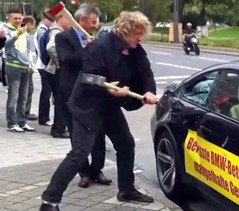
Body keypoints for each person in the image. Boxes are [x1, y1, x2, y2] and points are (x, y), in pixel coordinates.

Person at [39, 10, 158, 211]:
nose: (141, 37)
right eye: (137, 32)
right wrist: (109, 87)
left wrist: (148, 91)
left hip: (109, 106)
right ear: (125, 30)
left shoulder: (135, 49)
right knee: (80, 152)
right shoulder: (100, 47)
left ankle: (126, 190)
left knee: (126, 144)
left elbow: (146, 72)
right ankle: (49, 201)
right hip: (88, 104)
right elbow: (88, 77)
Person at [52, 4, 111, 188]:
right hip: (71, 94)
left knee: (98, 133)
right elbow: (66, 60)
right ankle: (84, 172)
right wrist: (87, 49)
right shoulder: (63, 37)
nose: (96, 25)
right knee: (77, 137)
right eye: (93, 22)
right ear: (82, 21)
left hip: (94, 93)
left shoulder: (97, 38)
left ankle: (96, 170)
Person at [4, 10, 35, 132]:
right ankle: (12, 123)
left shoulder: (24, 31)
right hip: (13, 66)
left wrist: (29, 63)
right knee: (13, 96)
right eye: (15, 18)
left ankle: (22, 122)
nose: (18, 21)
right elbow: (6, 44)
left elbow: (27, 50)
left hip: (25, 66)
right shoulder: (6, 30)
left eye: (19, 18)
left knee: (24, 96)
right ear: (8, 18)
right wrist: (17, 33)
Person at [44, 12, 70, 138]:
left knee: (60, 99)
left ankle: (59, 127)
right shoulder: (57, 31)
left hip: (54, 70)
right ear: (61, 19)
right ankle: (59, 128)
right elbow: (50, 48)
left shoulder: (55, 30)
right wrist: (61, 61)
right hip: (56, 70)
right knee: (61, 100)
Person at [34, 12, 53, 126]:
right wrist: (46, 63)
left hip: (42, 65)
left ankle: (44, 117)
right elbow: (42, 49)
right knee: (46, 92)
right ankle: (43, 117)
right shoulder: (42, 31)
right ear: (45, 19)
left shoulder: (41, 30)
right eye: (50, 20)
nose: (52, 23)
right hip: (43, 66)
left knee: (46, 92)